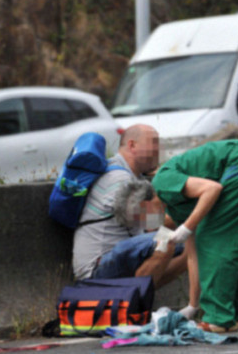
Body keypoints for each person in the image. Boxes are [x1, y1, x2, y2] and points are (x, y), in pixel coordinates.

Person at [152, 125, 238, 333]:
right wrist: (192, 306)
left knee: (214, 237)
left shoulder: (162, 181)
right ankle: (235, 315)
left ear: (146, 202)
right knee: (222, 240)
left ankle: (219, 318)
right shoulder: (178, 204)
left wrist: (187, 226)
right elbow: (194, 256)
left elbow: (213, 188)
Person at [72, 124, 193, 310]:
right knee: (165, 241)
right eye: (153, 142)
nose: (158, 149)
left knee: (189, 249)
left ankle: (132, 299)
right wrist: (166, 186)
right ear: (132, 145)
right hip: (97, 268)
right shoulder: (118, 179)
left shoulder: (131, 177)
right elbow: (152, 227)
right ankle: (132, 306)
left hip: (118, 257)